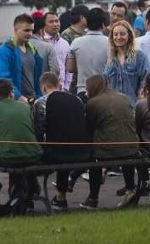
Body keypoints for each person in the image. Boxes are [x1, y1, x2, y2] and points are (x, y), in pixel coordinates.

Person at [32, 72, 90, 211]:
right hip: (82, 151)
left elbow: (38, 131)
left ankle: (34, 195)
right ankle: (60, 197)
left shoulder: (41, 102)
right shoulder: (76, 100)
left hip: (57, 152)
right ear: (59, 85)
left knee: (43, 153)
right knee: (64, 145)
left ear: (44, 87)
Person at [82, 75, 140, 210]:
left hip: (108, 149)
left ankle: (93, 198)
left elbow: (89, 128)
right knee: (126, 152)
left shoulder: (93, 103)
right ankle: (130, 188)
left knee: (93, 161)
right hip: (131, 146)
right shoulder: (123, 97)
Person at [0, 79, 42, 195]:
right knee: (17, 151)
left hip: (10, 156)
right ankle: (32, 189)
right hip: (33, 154)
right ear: (11, 92)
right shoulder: (25, 107)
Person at [0, 14, 44, 101]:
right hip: (13, 101)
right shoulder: (4, 50)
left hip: (33, 99)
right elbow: (4, 78)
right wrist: (19, 97)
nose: (30, 33)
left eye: (31, 30)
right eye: (26, 30)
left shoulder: (32, 50)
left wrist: (39, 96)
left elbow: (38, 77)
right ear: (15, 30)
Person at [103, 20, 149, 108]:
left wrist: (140, 99)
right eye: (115, 34)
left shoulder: (139, 56)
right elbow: (106, 82)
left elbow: (145, 80)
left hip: (133, 107)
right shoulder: (110, 59)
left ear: (129, 35)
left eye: (122, 34)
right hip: (113, 107)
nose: (118, 37)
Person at [67, 8, 110, 101]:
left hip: (83, 89)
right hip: (104, 89)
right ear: (103, 24)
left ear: (87, 22)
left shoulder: (76, 43)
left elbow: (70, 68)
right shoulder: (110, 43)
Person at [42, 11, 74, 92]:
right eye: (51, 22)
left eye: (57, 21)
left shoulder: (65, 43)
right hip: (44, 90)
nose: (55, 24)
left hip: (62, 89)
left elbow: (68, 69)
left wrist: (66, 87)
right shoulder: (41, 42)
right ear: (44, 25)